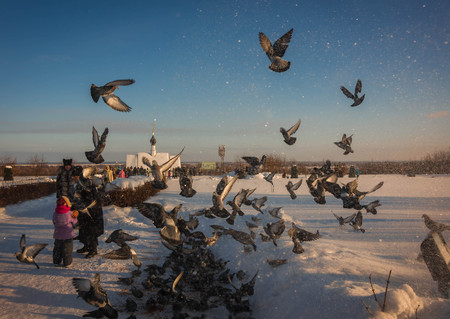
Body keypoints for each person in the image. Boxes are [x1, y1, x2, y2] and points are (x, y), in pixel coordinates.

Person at [69, 166, 105, 259]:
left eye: (75, 176)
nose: (74, 178)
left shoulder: (88, 184)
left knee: (91, 231)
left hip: (92, 213)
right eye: (73, 176)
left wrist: (81, 205)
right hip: (84, 213)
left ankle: (93, 249)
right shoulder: (79, 185)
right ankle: (86, 246)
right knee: (84, 230)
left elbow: (91, 198)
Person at [52, 196, 78, 267]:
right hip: (68, 235)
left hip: (58, 234)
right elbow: (74, 222)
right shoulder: (69, 213)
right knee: (67, 250)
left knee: (57, 249)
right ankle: (67, 263)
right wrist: (75, 217)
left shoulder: (55, 213)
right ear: (66, 204)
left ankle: (56, 261)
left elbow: (54, 221)